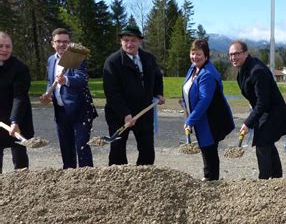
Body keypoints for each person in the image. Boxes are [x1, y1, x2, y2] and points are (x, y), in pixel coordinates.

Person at [103, 25, 165, 166]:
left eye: (133, 40)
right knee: (117, 149)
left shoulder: (148, 58)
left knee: (147, 148)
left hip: (144, 111)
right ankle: (118, 178)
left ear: (140, 42)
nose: (129, 44)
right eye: (126, 40)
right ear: (121, 41)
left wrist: (158, 93)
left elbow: (157, 76)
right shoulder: (112, 62)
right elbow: (112, 92)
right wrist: (125, 114)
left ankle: (144, 177)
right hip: (118, 114)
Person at [229, 40, 286, 179]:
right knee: (267, 143)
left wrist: (248, 122)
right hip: (264, 111)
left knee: (262, 143)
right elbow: (255, 98)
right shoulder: (243, 70)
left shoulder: (257, 70)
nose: (233, 57)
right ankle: (277, 178)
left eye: (237, 54)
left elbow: (263, 102)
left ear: (246, 53)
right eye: (230, 55)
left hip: (273, 113)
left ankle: (264, 181)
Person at [39, 28, 97, 169]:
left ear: (70, 43)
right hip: (60, 110)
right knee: (66, 146)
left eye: (65, 41)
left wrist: (66, 79)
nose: (62, 44)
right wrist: (48, 93)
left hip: (80, 110)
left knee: (82, 146)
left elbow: (82, 79)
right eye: (59, 41)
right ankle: (69, 176)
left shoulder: (77, 57)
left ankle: (86, 176)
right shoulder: (51, 60)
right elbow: (50, 81)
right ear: (53, 43)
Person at [182, 39, 234, 181]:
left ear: (206, 55)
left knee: (209, 150)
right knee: (205, 149)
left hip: (211, 120)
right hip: (200, 118)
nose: (195, 57)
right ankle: (209, 178)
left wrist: (190, 120)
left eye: (199, 54)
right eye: (193, 53)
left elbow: (204, 100)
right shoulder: (193, 69)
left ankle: (212, 181)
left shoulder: (207, 74)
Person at [0, 31, 33, 173]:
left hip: (17, 118)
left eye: (8, 46)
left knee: (20, 162)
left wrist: (14, 121)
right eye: (1, 46)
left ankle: (23, 189)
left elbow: (19, 96)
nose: (4, 49)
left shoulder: (20, 68)